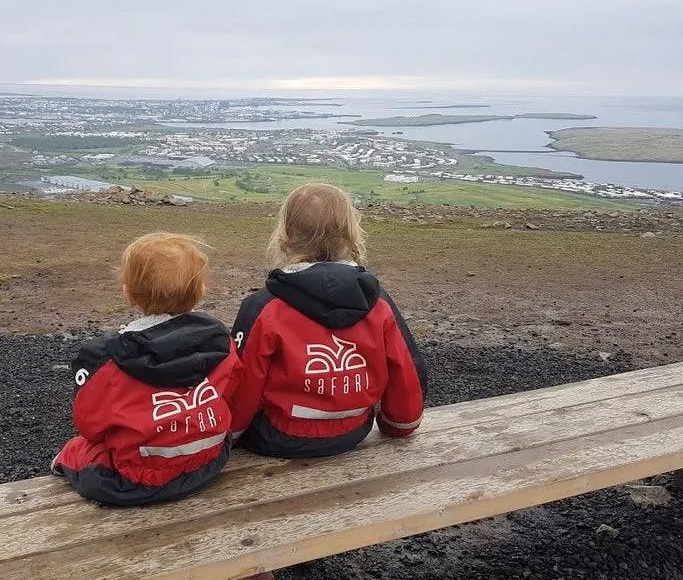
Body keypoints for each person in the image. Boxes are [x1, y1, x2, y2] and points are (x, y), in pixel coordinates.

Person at [229, 183, 427, 458]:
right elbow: (404, 369)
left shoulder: (264, 307)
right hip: (353, 431)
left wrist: (230, 437)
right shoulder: (377, 302)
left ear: (285, 237)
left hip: (277, 437)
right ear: (350, 236)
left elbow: (243, 383)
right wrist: (400, 425)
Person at [52, 232, 242, 505]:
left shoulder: (107, 359)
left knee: (80, 449)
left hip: (138, 479)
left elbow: (89, 425)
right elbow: (232, 389)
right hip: (210, 459)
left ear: (128, 294)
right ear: (200, 291)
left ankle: (63, 462)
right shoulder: (222, 344)